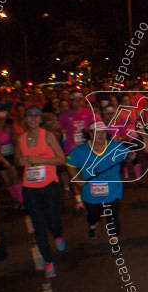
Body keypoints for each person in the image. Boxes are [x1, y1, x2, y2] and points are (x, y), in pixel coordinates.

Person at [15, 106, 67, 278]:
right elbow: (17, 159)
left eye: (36, 116)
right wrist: (21, 160)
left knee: (53, 220)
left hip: (49, 186)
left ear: (40, 120)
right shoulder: (21, 139)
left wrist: (40, 160)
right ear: (26, 119)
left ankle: (57, 233)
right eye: (30, 116)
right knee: (38, 225)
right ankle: (48, 261)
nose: (33, 119)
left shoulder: (48, 136)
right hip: (30, 189)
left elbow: (61, 159)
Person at [66, 121, 129, 239]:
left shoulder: (114, 146)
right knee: (94, 215)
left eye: (103, 132)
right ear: (90, 134)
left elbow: (128, 155)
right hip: (91, 192)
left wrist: (132, 156)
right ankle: (92, 225)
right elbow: (69, 163)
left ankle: (114, 240)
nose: (101, 135)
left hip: (112, 190)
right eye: (97, 132)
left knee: (113, 216)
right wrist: (77, 179)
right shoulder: (81, 151)